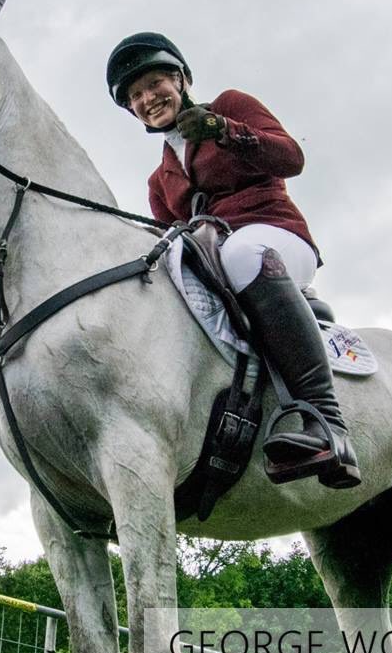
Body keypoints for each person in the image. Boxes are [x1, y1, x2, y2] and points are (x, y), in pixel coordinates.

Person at [106, 33, 360, 489]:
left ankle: (327, 423)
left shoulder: (230, 104)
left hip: (274, 237)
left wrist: (224, 130)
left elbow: (291, 157)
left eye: (155, 83)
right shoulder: (159, 180)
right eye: (135, 96)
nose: (147, 98)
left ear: (180, 79)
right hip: (217, 263)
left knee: (242, 253)